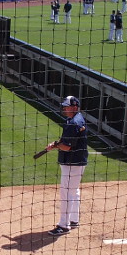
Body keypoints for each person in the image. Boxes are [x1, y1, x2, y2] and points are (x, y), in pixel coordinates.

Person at [45, 96, 89, 236]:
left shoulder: (73, 123)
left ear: (75, 107)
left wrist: (56, 146)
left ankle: (64, 226)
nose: (64, 109)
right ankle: (74, 220)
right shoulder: (77, 119)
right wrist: (58, 144)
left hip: (72, 163)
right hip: (78, 161)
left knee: (66, 193)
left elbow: (67, 147)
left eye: (67, 106)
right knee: (74, 191)